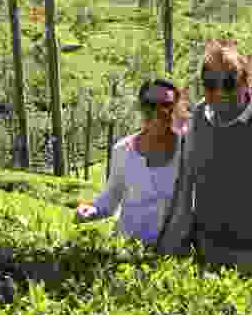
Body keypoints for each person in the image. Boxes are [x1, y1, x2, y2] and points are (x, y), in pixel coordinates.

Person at [157, 39, 252, 284]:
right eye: (210, 84)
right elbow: (185, 187)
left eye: (228, 83)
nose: (219, 92)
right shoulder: (199, 120)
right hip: (208, 255)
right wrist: (167, 253)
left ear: (245, 83)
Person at [74, 79, 191, 247]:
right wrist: (92, 210)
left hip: (169, 253)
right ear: (141, 108)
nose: (157, 112)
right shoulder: (122, 150)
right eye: (150, 105)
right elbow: (111, 197)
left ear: (177, 108)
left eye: (166, 105)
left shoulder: (187, 150)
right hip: (127, 249)